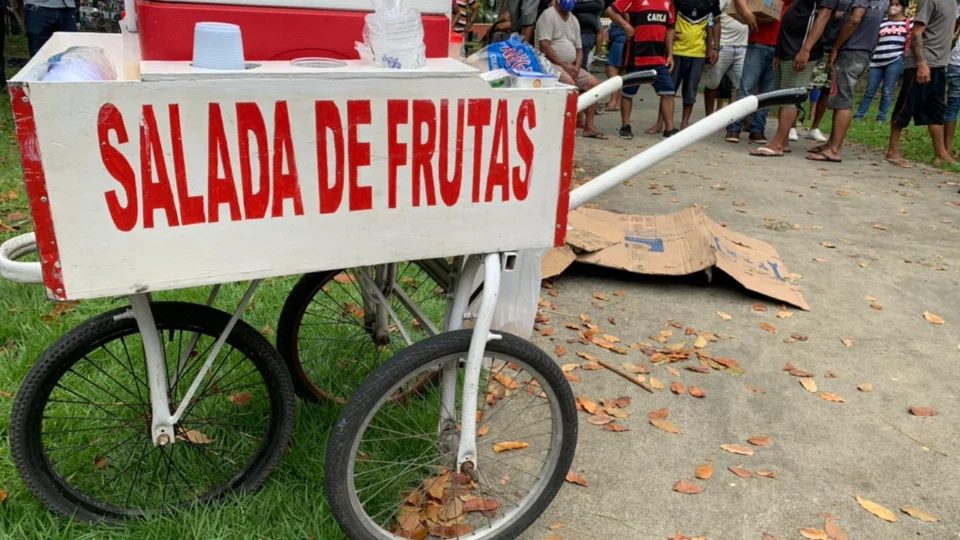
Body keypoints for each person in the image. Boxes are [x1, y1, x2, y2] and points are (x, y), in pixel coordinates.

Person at [749, 0, 837, 157]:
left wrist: (806, 49)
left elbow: (823, 16)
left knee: (790, 97)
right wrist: (779, 51)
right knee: (782, 95)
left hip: (799, 49)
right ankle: (783, 142)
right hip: (787, 48)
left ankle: (777, 144)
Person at [807, 0, 891, 163]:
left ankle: (834, 149)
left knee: (843, 99)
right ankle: (831, 143)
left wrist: (836, 47)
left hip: (852, 48)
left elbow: (855, 19)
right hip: (866, 48)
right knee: (840, 97)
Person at [885, 0, 956, 166]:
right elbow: (916, 32)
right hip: (923, 63)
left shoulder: (952, 3)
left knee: (936, 110)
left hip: (939, 64)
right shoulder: (930, 1)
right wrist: (921, 63)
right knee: (906, 106)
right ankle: (892, 151)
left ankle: (940, 153)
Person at [607, 0, 678, 139]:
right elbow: (610, 10)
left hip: (659, 57)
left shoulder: (668, 2)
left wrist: (670, 54)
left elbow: (670, 28)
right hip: (636, 55)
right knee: (628, 93)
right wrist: (626, 26)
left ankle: (669, 129)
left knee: (668, 92)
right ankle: (625, 126)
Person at [537, 0, 608, 138]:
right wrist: (563, 65)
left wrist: (576, 68)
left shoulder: (574, 20)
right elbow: (544, 46)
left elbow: (579, 50)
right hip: (548, 63)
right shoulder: (548, 15)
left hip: (571, 65)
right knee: (569, 84)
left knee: (594, 84)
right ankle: (564, 126)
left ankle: (589, 127)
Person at [647, 0, 720, 133]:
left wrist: (712, 48)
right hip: (676, 52)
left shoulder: (711, 2)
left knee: (690, 91)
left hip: (698, 53)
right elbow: (664, 14)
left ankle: (684, 124)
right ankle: (660, 122)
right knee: (668, 90)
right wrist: (667, 31)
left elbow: (712, 24)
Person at [724, 0, 783, 143]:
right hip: (758, 42)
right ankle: (734, 127)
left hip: (779, 47)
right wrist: (746, 12)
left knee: (767, 93)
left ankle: (757, 129)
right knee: (746, 88)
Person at [853, 0, 910, 122]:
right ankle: (859, 115)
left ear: (903, 7)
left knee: (887, 90)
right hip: (877, 58)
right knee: (870, 89)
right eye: (892, 4)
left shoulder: (908, 23)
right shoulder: (883, 22)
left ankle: (881, 117)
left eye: (897, 5)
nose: (893, 7)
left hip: (895, 59)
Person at [703, 0, 749, 116]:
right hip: (723, 45)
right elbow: (711, 17)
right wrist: (713, 46)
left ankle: (735, 119)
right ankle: (709, 117)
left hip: (743, 45)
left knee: (742, 85)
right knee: (712, 83)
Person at [941, 4, 960, 153]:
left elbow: (952, 28)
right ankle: (946, 149)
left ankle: (947, 148)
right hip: (957, 64)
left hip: (956, 62)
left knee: (953, 105)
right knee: (953, 105)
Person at [604, 0, 627, 112]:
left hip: (621, 35)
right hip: (617, 35)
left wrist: (626, 25)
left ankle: (614, 101)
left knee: (611, 69)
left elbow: (612, 10)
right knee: (620, 70)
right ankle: (615, 100)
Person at [573, 0, 607, 69]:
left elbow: (600, 5)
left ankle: (598, 52)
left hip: (586, 32)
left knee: (581, 66)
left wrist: (576, 7)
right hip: (580, 31)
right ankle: (598, 52)